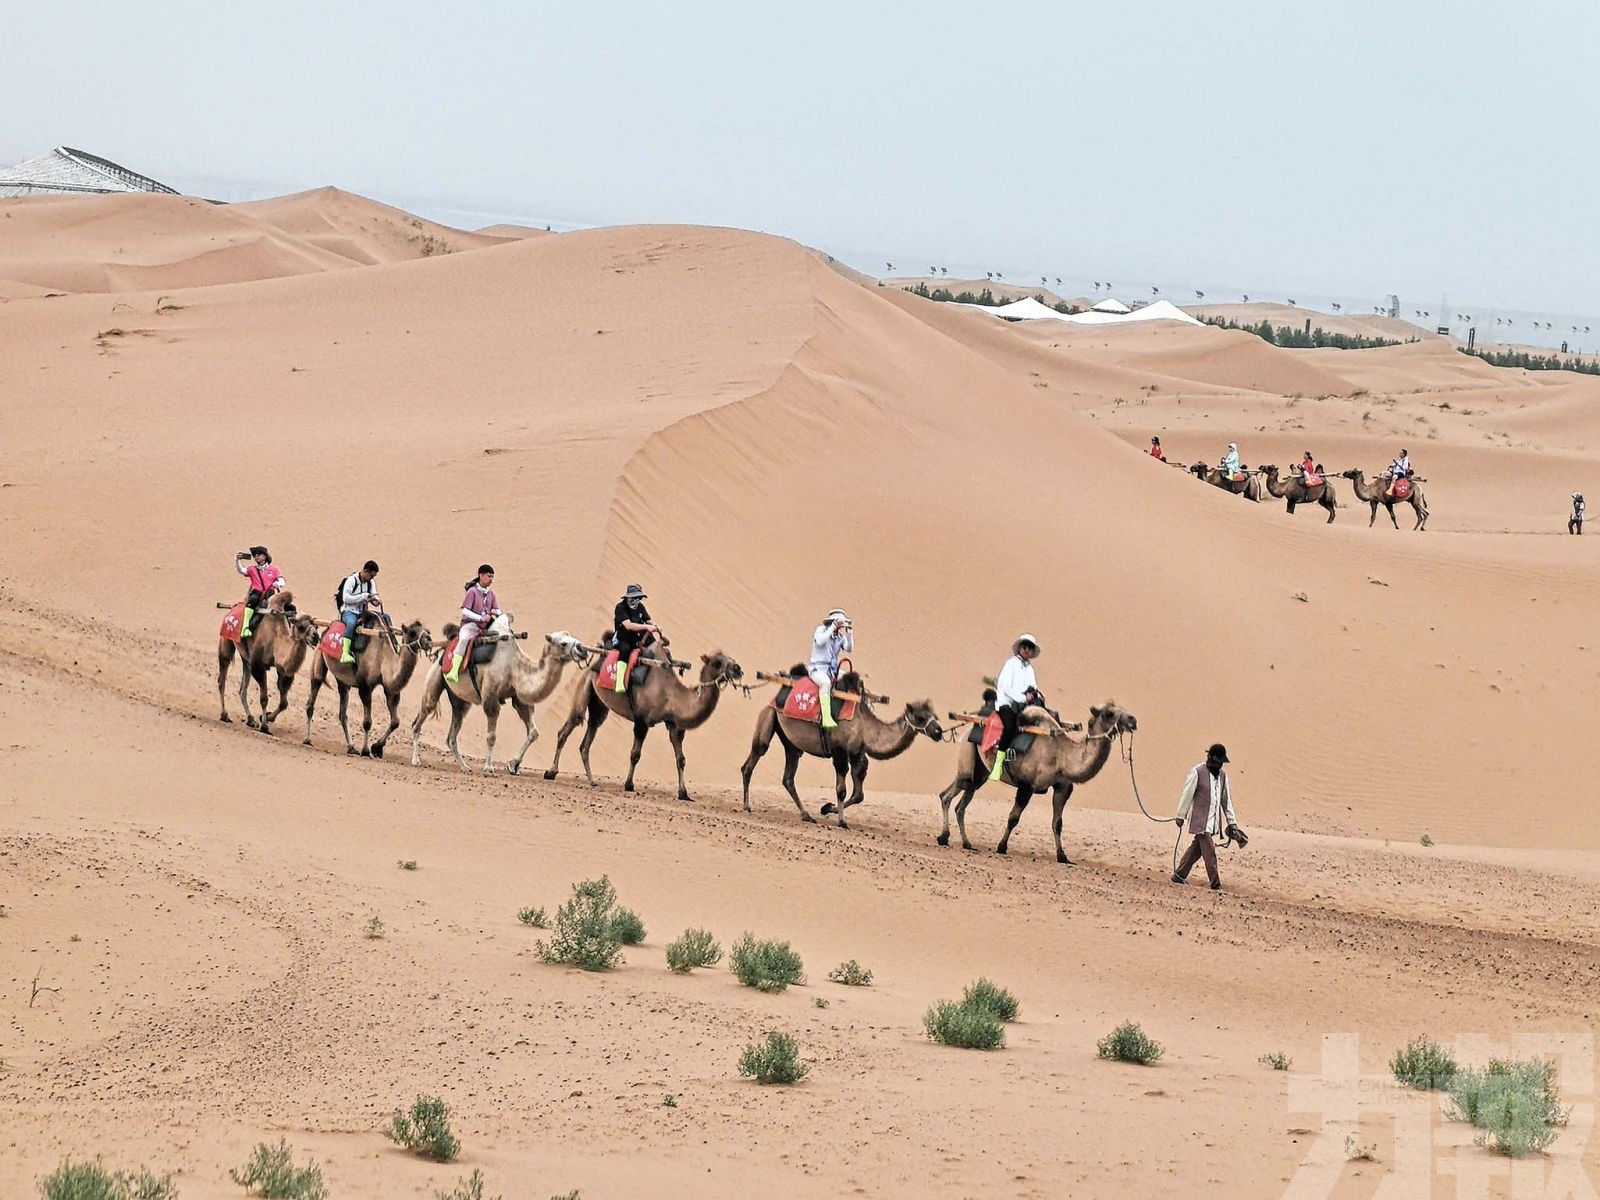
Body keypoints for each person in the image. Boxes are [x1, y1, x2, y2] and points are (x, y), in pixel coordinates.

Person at [1171, 743, 1243, 891]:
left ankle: (1179, 875)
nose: (1219, 765)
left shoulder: (1223, 776)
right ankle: (1216, 885)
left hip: (1212, 822)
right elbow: (1187, 794)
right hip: (1200, 821)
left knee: (1196, 850)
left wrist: (1232, 822)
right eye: (1217, 761)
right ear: (1210, 758)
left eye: (1221, 762)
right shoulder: (1197, 772)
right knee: (1210, 853)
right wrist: (1180, 816)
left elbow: (1226, 800)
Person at [990, 633, 1043, 782]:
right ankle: (998, 764)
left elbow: (1033, 686)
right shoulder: (1011, 664)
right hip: (1007, 704)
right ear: (1019, 648)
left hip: (1025, 705)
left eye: (1029, 648)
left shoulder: (1030, 669)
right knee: (1010, 726)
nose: (1026, 650)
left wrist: (1033, 695)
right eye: (1024, 646)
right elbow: (1005, 687)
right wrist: (1021, 697)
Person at [443, 565, 499, 685]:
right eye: (489, 576)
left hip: (486, 627)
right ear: (481, 575)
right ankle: (454, 670)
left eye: (492, 577)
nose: (491, 579)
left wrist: (497, 612)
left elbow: (496, 609)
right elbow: (465, 611)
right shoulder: (472, 592)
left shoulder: (491, 594)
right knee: (463, 640)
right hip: (471, 625)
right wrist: (480, 617)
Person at [808, 609, 854, 731]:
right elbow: (819, 641)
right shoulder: (821, 630)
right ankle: (826, 717)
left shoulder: (839, 637)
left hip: (832, 670)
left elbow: (849, 649)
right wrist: (832, 627)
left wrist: (849, 635)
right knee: (826, 683)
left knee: (849, 678)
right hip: (817, 669)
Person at [611, 584, 662, 693]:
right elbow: (628, 625)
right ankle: (619, 682)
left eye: (638, 598)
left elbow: (648, 620)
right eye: (633, 598)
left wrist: (656, 626)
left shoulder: (640, 607)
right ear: (627, 597)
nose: (636, 600)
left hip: (638, 636)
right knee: (625, 650)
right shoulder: (620, 608)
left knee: (656, 646)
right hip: (624, 637)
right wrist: (647, 627)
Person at [335, 560, 383, 664]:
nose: (372, 578)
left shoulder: (371, 582)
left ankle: (394, 645)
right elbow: (346, 598)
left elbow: (373, 594)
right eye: (371, 576)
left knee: (383, 617)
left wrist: (376, 600)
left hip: (363, 612)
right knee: (351, 623)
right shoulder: (351, 580)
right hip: (349, 611)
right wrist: (363, 597)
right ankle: (345, 652)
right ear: (365, 571)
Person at [234, 546, 286, 640]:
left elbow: (282, 581)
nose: (256, 556)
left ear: (265, 556)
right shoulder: (252, 569)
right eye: (255, 555)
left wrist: (277, 584)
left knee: (287, 606)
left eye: (259, 554)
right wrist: (237, 561)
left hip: (270, 594)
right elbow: (242, 570)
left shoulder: (274, 569)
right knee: (254, 599)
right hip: (256, 594)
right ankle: (245, 627)